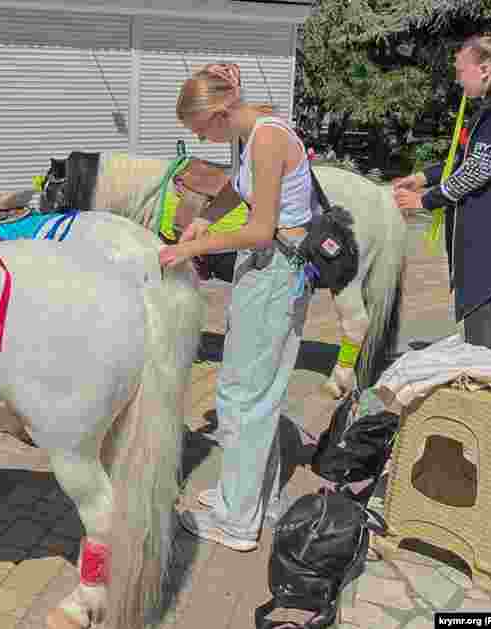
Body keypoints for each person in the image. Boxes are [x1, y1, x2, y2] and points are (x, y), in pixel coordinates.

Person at [159, 63, 314, 551]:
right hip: (271, 269)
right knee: (255, 390)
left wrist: (190, 250)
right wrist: (204, 219)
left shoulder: (266, 139)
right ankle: (251, 497)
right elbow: (235, 189)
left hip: (275, 267)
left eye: (201, 129)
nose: (201, 138)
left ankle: (235, 521)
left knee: (243, 395)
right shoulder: (255, 132)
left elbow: (260, 229)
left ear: (220, 113)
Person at [394, 31, 491, 351]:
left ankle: (486, 373)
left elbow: (478, 171)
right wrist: (425, 177)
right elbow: (469, 158)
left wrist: (425, 200)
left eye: (460, 71)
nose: (458, 80)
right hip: (489, 225)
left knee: (481, 302)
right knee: (487, 301)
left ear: (485, 69)